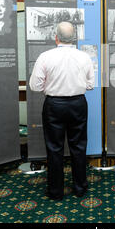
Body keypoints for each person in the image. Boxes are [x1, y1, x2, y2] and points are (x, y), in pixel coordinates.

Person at [29, 22, 95, 200]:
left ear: (55, 37)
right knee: (79, 147)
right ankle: (80, 188)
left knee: (54, 148)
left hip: (54, 105)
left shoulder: (45, 56)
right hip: (78, 104)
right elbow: (91, 85)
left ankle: (55, 191)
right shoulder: (84, 57)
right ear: (74, 38)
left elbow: (35, 86)